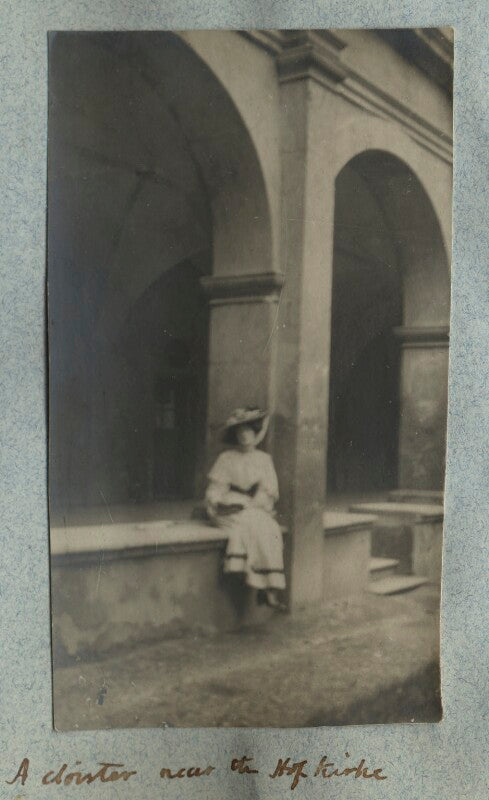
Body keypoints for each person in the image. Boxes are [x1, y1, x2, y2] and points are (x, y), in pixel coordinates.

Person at [205, 407, 286, 611]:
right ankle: (261, 584)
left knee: (270, 528)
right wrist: (218, 501)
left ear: (256, 433)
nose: (243, 435)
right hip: (229, 506)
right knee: (251, 523)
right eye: (239, 432)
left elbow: (269, 491)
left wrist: (256, 502)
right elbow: (215, 489)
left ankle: (269, 589)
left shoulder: (263, 459)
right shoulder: (226, 458)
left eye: (248, 430)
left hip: (254, 506)